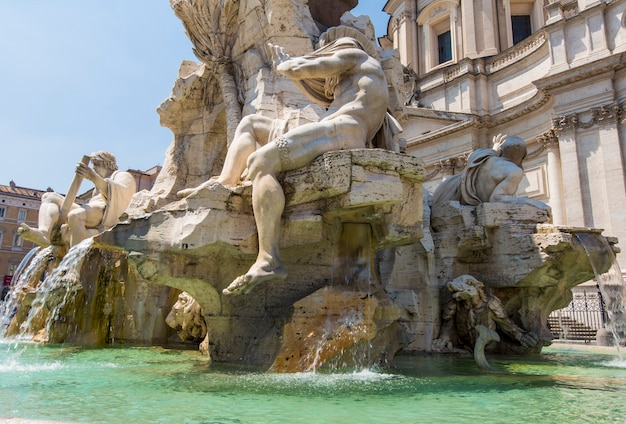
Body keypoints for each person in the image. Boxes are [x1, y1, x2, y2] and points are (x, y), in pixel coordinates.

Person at [178, 29, 396, 296]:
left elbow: (309, 66)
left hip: (342, 132)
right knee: (251, 123)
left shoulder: (356, 55)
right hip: (330, 128)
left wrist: (285, 63)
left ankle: (269, 259)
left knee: (261, 160)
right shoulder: (357, 83)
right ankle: (224, 183)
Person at [18, 151, 136, 248]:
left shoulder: (122, 175)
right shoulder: (97, 185)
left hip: (105, 214)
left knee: (76, 215)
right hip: (92, 211)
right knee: (49, 196)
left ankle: (75, 267)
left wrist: (93, 177)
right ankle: (44, 233)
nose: (94, 168)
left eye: (96, 165)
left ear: (106, 164)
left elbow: (121, 196)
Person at [432, 134, 551, 214]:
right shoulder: (514, 171)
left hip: (446, 195)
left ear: (501, 150)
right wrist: (531, 201)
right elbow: (496, 198)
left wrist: (494, 149)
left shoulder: (480, 155)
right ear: (523, 156)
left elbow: (482, 158)